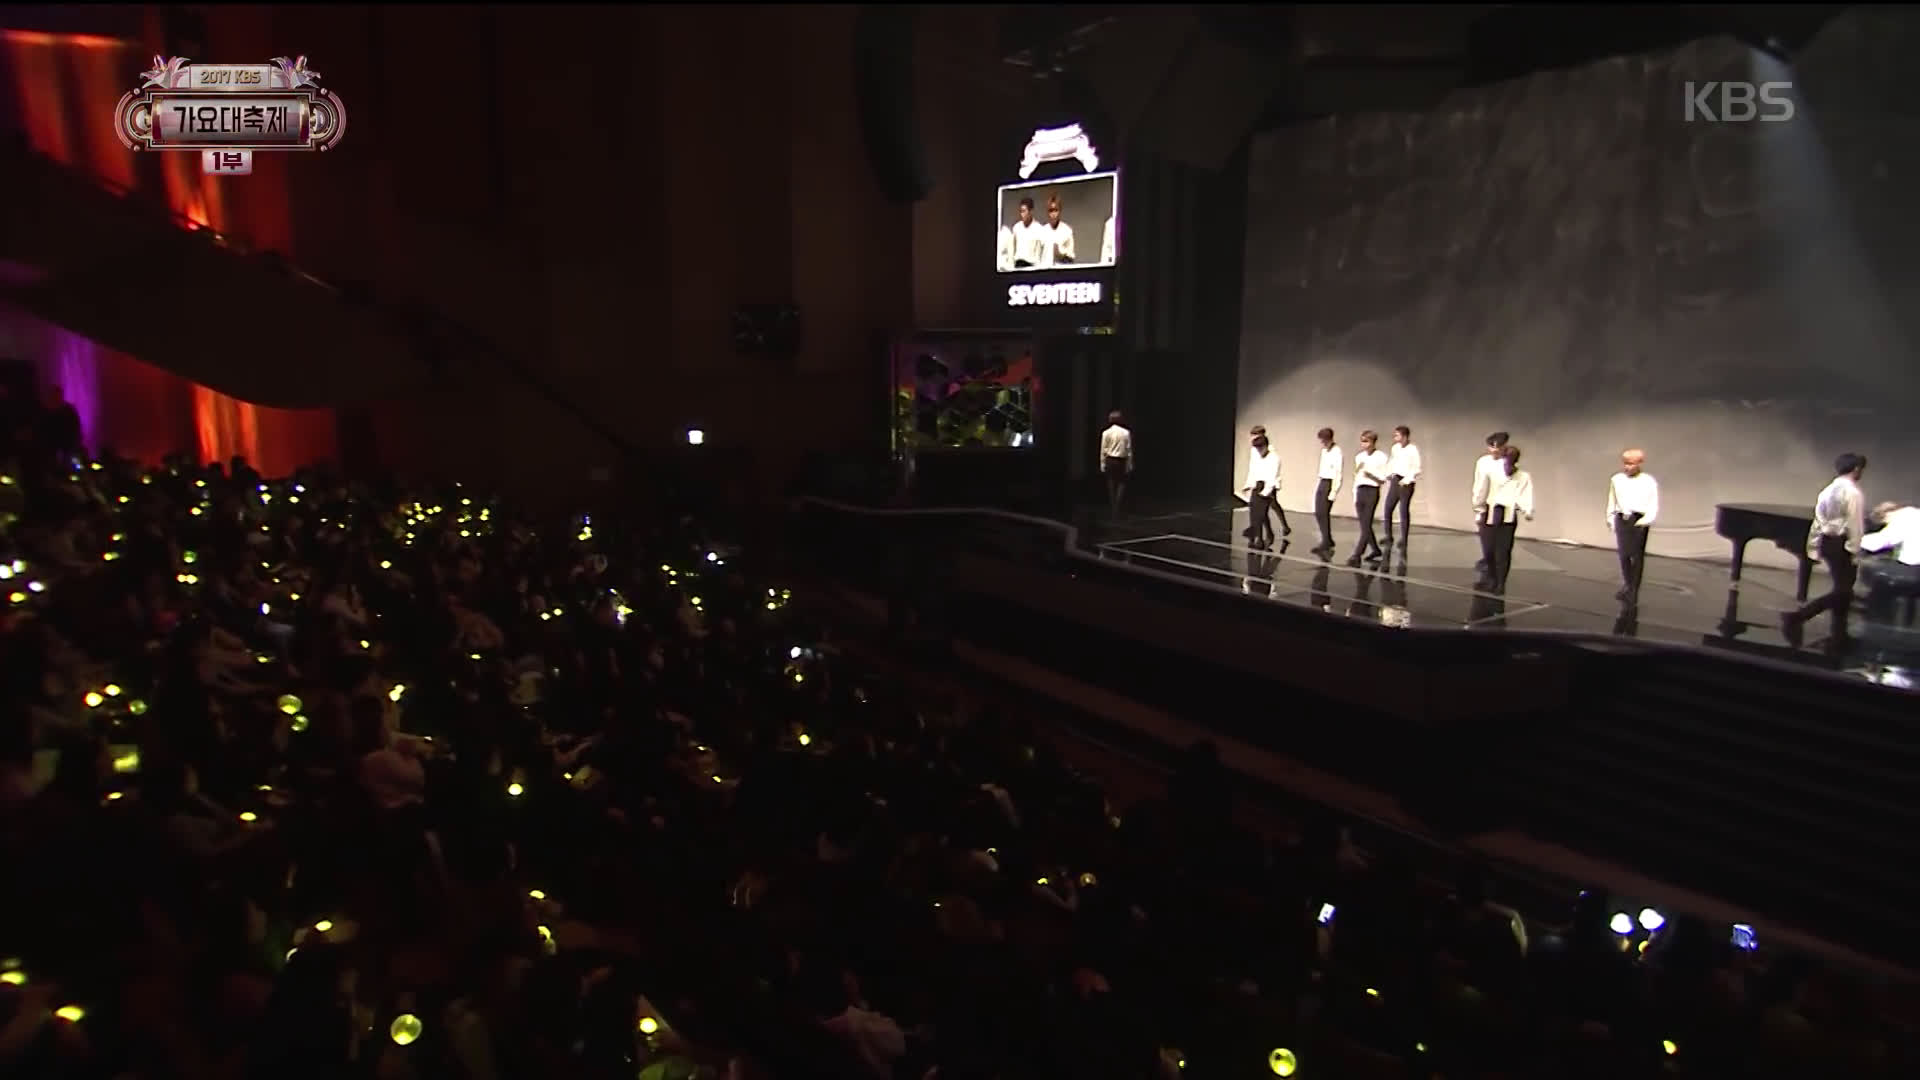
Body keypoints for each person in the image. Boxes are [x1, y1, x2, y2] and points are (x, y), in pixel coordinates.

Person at [1783, 452, 1868, 646]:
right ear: (1856, 469)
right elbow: (1855, 524)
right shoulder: (1853, 493)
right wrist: (1855, 550)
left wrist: (1813, 546)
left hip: (1828, 542)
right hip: (1843, 543)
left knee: (1842, 589)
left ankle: (1839, 633)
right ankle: (1798, 617)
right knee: (1843, 591)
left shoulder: (1827, 490)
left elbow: (1818, 521)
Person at [1605, 448, 1660, 605]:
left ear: (1639, 463)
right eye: (1625, 463)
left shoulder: (1648, 481)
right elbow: (1612, 500)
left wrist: (1645, 521)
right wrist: (1610, 518)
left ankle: (1633, 590)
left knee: (1636, 556)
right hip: (1622, 519)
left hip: (1639, 520)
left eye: (1631, 463)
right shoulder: (1617, 479)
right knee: (1624, 555)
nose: (1627, 467)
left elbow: (1653, 504)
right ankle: (1628, 585)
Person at [1481, 445, 1533, 593]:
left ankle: (1500, 583)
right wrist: (1478, 508)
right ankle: (1492, 578)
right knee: (1489, 550)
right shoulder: (1493, 472)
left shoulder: (1523, 476)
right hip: (1491, 513)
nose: (1508, 465)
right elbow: (1482, 489)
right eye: (1507, 460)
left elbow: (1525, 495)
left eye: (1512, 461)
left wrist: (1527, 510)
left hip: (1508, 516)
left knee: (1503, 551)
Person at [1860, 501, 1920, 625]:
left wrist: (1856, 539)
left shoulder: (1903, 517)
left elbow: (1881, 541)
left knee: (1877, 580)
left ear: (1887, 514)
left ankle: (1878, 624)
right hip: (1915, 568)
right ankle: (1908, 620)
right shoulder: (1915, 513)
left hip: (1914, 570)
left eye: (1885, 523)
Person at [1346, 430, 1389, 567]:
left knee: (1366, 523)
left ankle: (1357, 554)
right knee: (1364, 524)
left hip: (1372, 490)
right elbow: (1356, 476)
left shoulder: (1381, 457)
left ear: (1373, 442)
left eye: (1366, 441)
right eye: (1362, 441)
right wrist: (1355, 494)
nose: (1363, 444)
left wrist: (1371, 475)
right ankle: (1375, 549)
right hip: (1360, 490)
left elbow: (1383, 479)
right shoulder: (1359, 457)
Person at [1471, 432, 1512, 573]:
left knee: (1501, 547)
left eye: (1498, 447)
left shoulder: (1508, 463)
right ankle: (1488, 567)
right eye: (1491, 446)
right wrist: (1478, 509)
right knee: (1487, 544)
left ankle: (1496, 577)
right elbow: (1479, 486)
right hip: (1486, 508)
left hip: (1503, 508)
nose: (1494, 450)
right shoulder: (1483, 462)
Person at [1242, 426, 1289, 542]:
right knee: (1256, 509)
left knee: (1269, 507)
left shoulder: (1272, 455)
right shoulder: (1255, 450)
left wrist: (1266, 491)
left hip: (1269, 484)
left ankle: (1282, 527)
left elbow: (1272, 475)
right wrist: (1249, 484)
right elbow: (1253, 468)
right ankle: (1263, 533)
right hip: (1259, 482)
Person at [1381, 425, 1422, 552]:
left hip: (1406, 482)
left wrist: (1407, 480)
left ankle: (1404, 539)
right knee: (1388, 508)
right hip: (1396, 479)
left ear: (1404, 436)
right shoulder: (1395, 448)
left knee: (1403, 510)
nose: (1395, 437)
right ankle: (1388, 536)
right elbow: (1392, 462)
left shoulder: (1412, 449)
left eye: (1397, 435)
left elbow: (1416, 467)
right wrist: (1389, 474)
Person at [1312, 427, 1341, 555]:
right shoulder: (1324, 451)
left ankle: (1326, 541)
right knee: (1318, 512)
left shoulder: (1337, 452)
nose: (1322, 443)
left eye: (1323, 440)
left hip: (1330, 483)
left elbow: (1338, 473)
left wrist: (1334, 491)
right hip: (1322, 481)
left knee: (1323, 513)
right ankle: (1327, 539)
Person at [1099, 410, 1132, 516]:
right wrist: (1129, 463)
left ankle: (1112, 506)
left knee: (1111, 483)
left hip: (1110, 459)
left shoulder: (1106, 433)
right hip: (1121, 460)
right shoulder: (1126, 433)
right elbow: (1128, 450)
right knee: (1121, 483)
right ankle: (1118, 505)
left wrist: (1102, 463)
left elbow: (1103, 449)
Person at [999, 197, 1046, 270]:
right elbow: (1012, 249)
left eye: (1024, 211)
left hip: (1031, 265)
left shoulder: (1039, 228)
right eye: (1021, 211)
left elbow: (1039, 251)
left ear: (1030, 211)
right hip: (1018, 264)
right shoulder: (1017, 227)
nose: (1022, 214)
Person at [1041, 194, 1076, 266]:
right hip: (1045, 269)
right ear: (1047, 212)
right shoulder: (1042, 231)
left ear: (1060, 211)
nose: (1053, 214)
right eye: (1051, 211)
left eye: (1056, 210)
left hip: (1061, 270)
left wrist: (1060, 253)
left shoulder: (1067, 230)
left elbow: (1071, 257)